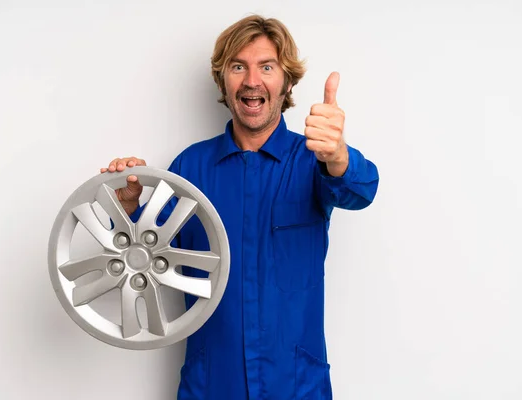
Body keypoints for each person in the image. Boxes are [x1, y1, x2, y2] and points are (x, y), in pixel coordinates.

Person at [101, 14, 379, 400]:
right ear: (223, 81)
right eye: (238, 67)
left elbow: (362, 190)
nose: (252, 80)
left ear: (287, 81)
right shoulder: (189, 168)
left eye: (267, 67)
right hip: (212, 382)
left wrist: (338, 156)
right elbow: (147, 251)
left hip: (295, 384)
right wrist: (128, 206)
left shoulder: (311, 161)